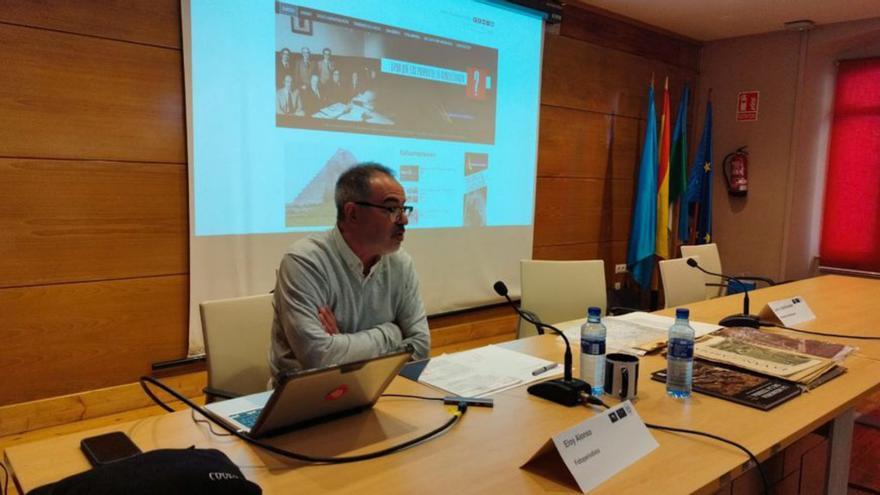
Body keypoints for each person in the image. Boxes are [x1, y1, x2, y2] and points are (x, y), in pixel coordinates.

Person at [269, 163, 430, 381]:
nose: (404, 220)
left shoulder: (400, 263)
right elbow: (320, 358)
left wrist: (343, 342)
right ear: (353, 213)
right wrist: (392, 332)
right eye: (392, 209)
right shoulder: (305, 262)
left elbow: (420, 346)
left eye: (404, 208)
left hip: (380, 388)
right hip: (306, 399)